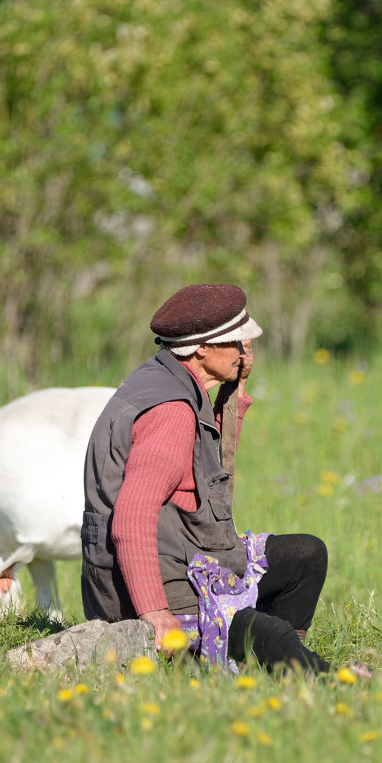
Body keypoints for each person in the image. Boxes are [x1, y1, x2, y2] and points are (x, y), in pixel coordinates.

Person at [81, 283, 333, 673]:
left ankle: (264, 663)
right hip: (155, 586)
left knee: (306, 556)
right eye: (237, 343)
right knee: (267, 634)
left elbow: (207, 469)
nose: (245, 352)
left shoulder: (169, 379)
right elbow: (132, 515)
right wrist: (154, 612)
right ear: (202, 349)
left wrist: (235, 390)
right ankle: (321, 679)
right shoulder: (170, 411)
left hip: (184, 554)